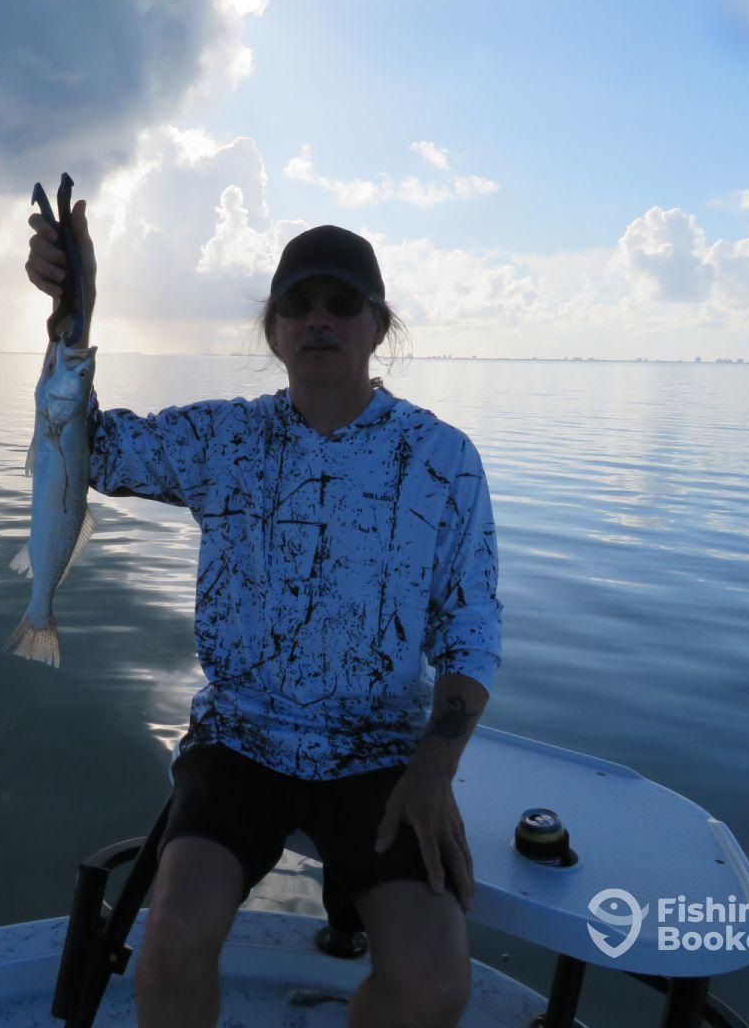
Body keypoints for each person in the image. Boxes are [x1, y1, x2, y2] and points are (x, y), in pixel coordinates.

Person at [25, 203, 502, 1028]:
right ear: (274, 329)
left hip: (380, 754)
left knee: (434, 983)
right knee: (170, 940)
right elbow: (89, 448)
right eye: (298, 304)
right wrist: (75, 316)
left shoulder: (443, 458)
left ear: (377, 326)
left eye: (341, 303)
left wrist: (434, 769)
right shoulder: (223, 438)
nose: (319, 318)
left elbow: (472, 631)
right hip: (239, 741)